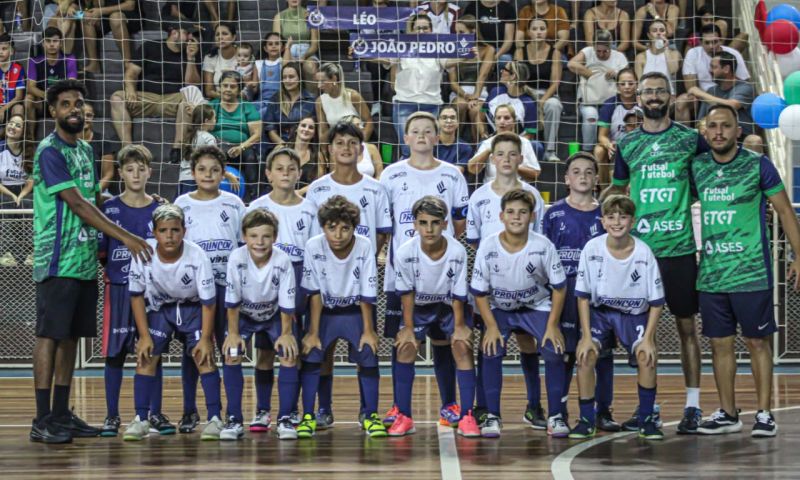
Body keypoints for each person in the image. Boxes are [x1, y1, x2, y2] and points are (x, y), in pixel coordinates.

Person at [30, 80, 151, 444]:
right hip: (57, 258)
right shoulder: (50, 150)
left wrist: (136, 200)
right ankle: (41, 419)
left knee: (70, 338)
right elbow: (78, 204)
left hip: (83, 259)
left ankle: (62, 412)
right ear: (52, 111)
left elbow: (95, 196)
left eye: (78, 104)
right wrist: (125, 236)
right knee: (50, 335)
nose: (73, 109)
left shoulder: (85, 149)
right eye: (65, 104)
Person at [603, 71, 708, 434]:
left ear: (670, 96)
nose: (653, 96)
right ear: (638, 98)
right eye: (647, 91)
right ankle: (650, 407)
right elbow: (616, 195)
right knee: (638, 333)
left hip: (678, 248)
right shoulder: (628, 144)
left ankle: (693, 405)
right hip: (640, 252)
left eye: (660, 91)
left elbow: (707, 185)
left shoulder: (691, 140)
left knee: (686, 328)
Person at [692, 105, 800, 437]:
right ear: (705, 131)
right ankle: (728, 412)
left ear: (738, 131)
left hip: (751, 271)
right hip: (711, 274)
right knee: (720, 344)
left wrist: (799, 255)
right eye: (714, 126)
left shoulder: (758, 164)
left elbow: (783, 210)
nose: (720, 132)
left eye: (726, 126)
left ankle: (765, 413)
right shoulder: (696, 168)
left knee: (757, 342)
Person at [381, 112, 469, 429]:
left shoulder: (453, 175)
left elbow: (459, 224)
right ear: (405, 138)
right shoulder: (390, 175)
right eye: (415, 131)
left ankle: (450, 405)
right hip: (401, 276)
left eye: (427, 131)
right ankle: (399, 408)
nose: (421, 135)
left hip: (442, 276)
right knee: (404, 341)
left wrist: (437, 256)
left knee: (446, 342)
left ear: (436, 137)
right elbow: (383, 225)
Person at [123, 204, 224, 441]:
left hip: (193, 308)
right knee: (146, 355)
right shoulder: (143, 252)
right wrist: (144, 335)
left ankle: (215, 418)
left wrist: (207, 339)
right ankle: (141, 419)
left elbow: (209, 301)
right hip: (161, 309)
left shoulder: (197, 255)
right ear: (154, 232)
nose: (170, 236)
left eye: (175, 230)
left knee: (203, 355)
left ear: (184, 231)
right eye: (163, 230)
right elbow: (136, 296)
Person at [471, 189, 567, 438]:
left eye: (523, 212)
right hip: (500, 307)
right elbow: (479, 293)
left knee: (554, 349)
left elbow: (559, 287)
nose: (516, 217)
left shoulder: (543, 245)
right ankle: (492, 415)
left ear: (532, 216)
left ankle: (554, 415)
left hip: (535, 305)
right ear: (501, 216)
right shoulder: (488, 246)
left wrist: (552, 325)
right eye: (511, 212)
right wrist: (490, 326)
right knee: (490, 348)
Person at [466, 132, 546, 429]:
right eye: (501, 154)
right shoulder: (479, 196)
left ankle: (534, 405)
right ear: (492, 158)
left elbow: (538, 239)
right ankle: (486, 407)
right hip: (491, 289)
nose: (507, 160)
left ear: (520, 158)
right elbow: (474, 242)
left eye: (513, 154)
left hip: (527, 286)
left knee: (529, 343)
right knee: (488, 344)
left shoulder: (533, 195)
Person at [570, 195, 665, 440]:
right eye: (611, 217)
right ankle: (586, 420)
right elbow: (582, 296)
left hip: (634, 315)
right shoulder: (592, 249)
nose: (617, 222)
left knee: (646, 356)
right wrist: (586, 337)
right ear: (602, 222)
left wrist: (649, 339)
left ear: (632, 222)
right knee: (586, 355)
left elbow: (657, 302)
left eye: (623, 217)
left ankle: (646, 420)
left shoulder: (643, 253)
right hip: (601, 314)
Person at [543, 153, 621, 433]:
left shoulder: (605, 213)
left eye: (589, 171)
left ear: (597, 178)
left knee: (602, 353)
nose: (583, 176)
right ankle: (558, 412)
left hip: (599, 296)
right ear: (566, 179)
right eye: (576, 171)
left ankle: (603, 411)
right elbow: (545, 256)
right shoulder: (553, 214)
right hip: (565, 296)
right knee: (563, 353)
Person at [389, 196, 479, 437]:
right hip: (417, 306)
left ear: (445, 224)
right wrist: (408, 329)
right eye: (423, 223)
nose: (429, 229)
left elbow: (459, 294)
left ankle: (466, 414)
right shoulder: (405, 252)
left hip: (448, 306)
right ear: (415, 225)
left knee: (461, 346)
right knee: (406, 347)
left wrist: (460, 327)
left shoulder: (457, 251)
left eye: (435, 223)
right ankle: (405, 415)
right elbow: (406, 293)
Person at [299, 195, 387, 438]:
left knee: (368, 353)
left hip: (355, 312)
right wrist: (313, 332)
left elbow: (367, 291)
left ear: (354, 228)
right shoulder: (313, 246)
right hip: (324, 312)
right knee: (314, 353)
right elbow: (314, 291)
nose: (338, 235)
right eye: (332, 228)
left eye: (345, 228)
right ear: (323, 227)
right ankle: (315, 412)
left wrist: (369, 330)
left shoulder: (365, 246)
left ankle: (369, 414)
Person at [174, 145, 246, 434]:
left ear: (223, 173)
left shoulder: (234, 204)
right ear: (193, 173)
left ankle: (232, 414)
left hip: (226, 290)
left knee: (229, 349)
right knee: (194, 351)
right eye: (202, 169)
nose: (208, 174)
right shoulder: (182, 203)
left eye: (215, 170)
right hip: (192, 291)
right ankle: (190, 410)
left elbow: (244, 248)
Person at [246, 147, 317, 433]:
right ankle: (262, 410)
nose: (285, 173)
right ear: (268, 174)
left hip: (299, 282)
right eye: (279, 168)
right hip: (264, 285)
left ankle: (290, 410)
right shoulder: (256, 207)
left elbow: (313, 253)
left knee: (293, 349)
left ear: (300, 174)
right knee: (264, 352)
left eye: (291, 168)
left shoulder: (309, 208)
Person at [97, 145, 163, 437]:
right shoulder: (109, 209)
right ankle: (112, 416)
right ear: (120, 172)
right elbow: (102, 253)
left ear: (150, 171)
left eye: (141, 168)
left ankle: (152, 414)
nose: (136, 174)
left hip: (151, 293)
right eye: (130, 169)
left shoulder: (160, 209)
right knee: (115, 355)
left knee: (151, 353)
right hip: (120, 290)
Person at [220, 208, 298, 441]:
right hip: (244, 316)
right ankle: (234, 419)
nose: (260, 242)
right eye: (254, 236)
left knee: (288, 353)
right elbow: (232, 300)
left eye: (266, 236)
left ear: (274, 237)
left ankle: (284, 418)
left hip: (273, 314)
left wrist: (286, 334)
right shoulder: (237, 257)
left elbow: (287, 302)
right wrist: (233, 333)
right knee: (231, 353)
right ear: (244, 236)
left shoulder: (282, 260)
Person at [109, 18, 200, 165]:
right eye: (187, 33)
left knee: (190, 101)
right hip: (147, 98)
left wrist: (191, 58)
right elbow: (131, 73)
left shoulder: (192, 52)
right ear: (174, 33)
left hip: (173, 99)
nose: (191, 38)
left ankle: (177, 149)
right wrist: (130, 89)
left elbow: (192, 86)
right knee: (116, 98)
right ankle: (127, 148)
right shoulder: (151, 46)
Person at [676, 24, 749, 126]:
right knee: (681, 101)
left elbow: (744, 82)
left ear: (721, 40)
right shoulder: (693, 54)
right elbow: (691, 88)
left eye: (715, 42)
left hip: (727, 94)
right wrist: (706, 96)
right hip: (700, 97)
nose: (711, 46)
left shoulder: (732, 54)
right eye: (707, 42)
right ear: (700, 42)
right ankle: (685, 138)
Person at [568, 30, 628, 152]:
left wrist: (617, 74)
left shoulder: (619, 57)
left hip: (612, 101)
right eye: (598, 51)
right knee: (591, 116)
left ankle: (618, 148)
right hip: (589, 101)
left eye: (605, 51)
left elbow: (627, 77)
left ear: (611, 46)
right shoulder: (587, 52)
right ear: (594, 46)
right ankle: (587, 151)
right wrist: (590, 74)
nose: (601, 54)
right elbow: (571, 64)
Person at [209, 70, 262, 201]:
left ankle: (252, 197)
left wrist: (241, 147)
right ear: (220, 87)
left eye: (232, 87)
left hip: (241, 147)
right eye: (225, 86)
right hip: (218, 145)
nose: (228, 89)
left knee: (250, 156)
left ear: (239, 90)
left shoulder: (247, 107)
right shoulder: (212, 106)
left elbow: (257, 134)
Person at [515, 18, 564, 162]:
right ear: (529, 32)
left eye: (542, 29)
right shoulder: (520, 52)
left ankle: (550, 150)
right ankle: (522, 148)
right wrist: (531, 97)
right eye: (535, 29)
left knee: (554, 106)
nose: (539, 32)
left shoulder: (555, 52)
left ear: (547, 31)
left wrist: (542, 100)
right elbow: (517, 79)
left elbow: (555, 82)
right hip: (525, 91)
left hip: (547, 92)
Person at [25, 27, 77, 142]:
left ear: (61, 43)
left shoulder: (69, 59)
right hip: (43, 101)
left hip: (62, 101)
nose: (52, 44)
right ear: (43, 43)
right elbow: (30, 87)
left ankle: (64, 141)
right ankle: (30, 142)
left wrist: (57, 97)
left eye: (55, 41)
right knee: (29, 99)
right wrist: (47, 95)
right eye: (48, 41)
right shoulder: (35, 61)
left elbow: (72, 84)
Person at [448, 14, 496, 142]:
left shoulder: (488, 49)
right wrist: (466, 95)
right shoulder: (453, 48)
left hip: (481, 91)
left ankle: (479, 147)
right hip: (459, 92)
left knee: (476, 110)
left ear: (473, 31)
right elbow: (452, 82)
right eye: (456, 32)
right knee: (460, 105)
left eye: (461, 32)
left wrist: (475, 95)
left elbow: (483, 75)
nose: (458, 35)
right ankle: (454, 143)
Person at [467, 104, 541, 184]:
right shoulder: (487, 143)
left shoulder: (524, 143)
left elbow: (535, 174)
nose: (502, 121)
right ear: (494, 121)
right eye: (498, 118)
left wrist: (513, 167)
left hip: (516, 190)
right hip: (492, 188)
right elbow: (472, 169)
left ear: (514, 121)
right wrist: (490, 150)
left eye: (506, 118)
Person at [594, 68, 639, 189]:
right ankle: (604, 190)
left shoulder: (643, 104)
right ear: (617, 87)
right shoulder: (610, 105)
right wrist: (609, 145)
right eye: (622, 84)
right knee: (599, 150)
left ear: (637, 84)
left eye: (631, 83)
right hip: (615, 146)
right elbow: (602, 136)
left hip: (639, 145)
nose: (627, 87)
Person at [692, 52, 755, 136]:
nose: (710, 71)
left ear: (726, 69)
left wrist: (700, 94)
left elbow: (731, 106)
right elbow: (700, 122)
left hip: (741, 137)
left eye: (713, 67)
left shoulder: (744, 87)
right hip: (715, 138)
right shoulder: (711, 91)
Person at [316, 63, 372, 147]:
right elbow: (323, 133)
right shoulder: (320, 101)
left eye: (323, 81)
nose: (319, 86)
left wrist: (361, 144)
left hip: (355, 141)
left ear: (334, 79)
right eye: (317, 81)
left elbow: (369, 122)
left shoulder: (353, 96)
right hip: (337, 143)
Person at [265, 62, 316, 149]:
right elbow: (270, 128)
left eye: (291, 77)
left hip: (304, 145)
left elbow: (313, 128)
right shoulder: (275, 99)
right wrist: (284, 145)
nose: (287, 80)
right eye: (284, 77)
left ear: (300, 78)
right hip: (280, 145)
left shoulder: (311, 100)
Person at [80, 0, 141, 72]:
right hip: (103, 15)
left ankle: (128, 64)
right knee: (87, 19)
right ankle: (94, 64)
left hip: (126, 14)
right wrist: (84, 13)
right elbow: (84, 8)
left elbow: (130, 5)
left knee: (115, 18)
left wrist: (101, 11)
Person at [485, 61, 538, 143]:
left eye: (505, 69)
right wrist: (483, 133)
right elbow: (481, 115)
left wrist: (511, 145)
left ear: (513, 76)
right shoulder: (495, 92)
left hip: (517, 145)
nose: (501, 71)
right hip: (491, 141)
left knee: (536, 145)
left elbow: (529, 134)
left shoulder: (528, 103)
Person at [272, 0, 320, 81]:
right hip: (287, 51)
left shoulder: (311, 15)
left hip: (307, 52)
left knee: (310, 67)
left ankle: (311, 94)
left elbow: (315, 44)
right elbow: (277, 43)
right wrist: (289, 55)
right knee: (286, 68)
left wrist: (304, 56)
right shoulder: (279, 17)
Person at [634, 20, 682, 96]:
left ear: (666, 34)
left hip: (668, 95)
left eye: (662, 30)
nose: (659, 33)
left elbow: (673, 71)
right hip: (647, 96)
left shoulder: (674, 54)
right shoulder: (641, 57)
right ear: (649, 35)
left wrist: (666, 48)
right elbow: (640, 83)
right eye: (654, 31)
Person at [80, 103, 119, 195]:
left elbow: (108, 174)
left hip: (98, 191)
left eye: (88, 115)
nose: (85, 118)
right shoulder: (68, 141)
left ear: (93, 117)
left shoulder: (103, 141)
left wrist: (93, 193)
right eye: (81, 115)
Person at [179, 104, 217, 196]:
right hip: (197, 180)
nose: (216, 121)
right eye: (214, 118)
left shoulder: (189, 136)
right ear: (206, 121)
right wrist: (229, 176)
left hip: (183, 178)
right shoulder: (209, 138)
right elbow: (214, 161)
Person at [282, 115, 324, 195]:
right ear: (296, 128)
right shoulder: (282, 150)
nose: (306, 129)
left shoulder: (318, 155)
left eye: (311, 127)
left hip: (308, 196)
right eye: (303, 125)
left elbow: (319, 182)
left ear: (315, 133)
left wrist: (300, 192)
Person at [255, 32, 288, 119]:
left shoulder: (283, 62)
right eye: (270, 44)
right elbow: (254, 86)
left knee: (262, 114)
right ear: (265, 48)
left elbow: (288, 66)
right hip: (261, 101)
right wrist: (250, 85)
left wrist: (288, 48)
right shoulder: (258, 64)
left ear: (283, 47)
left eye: (277, 44)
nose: (273, 46)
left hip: (279, 101)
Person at [202, 23, 239, 100]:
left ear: (233, 37)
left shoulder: (243, 55)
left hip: (239, 99)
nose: (220, 37)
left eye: (224, 34)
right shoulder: (210, 57)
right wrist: (225, 97)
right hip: (218, 99)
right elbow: (209, 91)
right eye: (217, 35)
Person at [340, 114, 383, 179]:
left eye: (361, 125)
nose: (362, 127)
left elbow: (379, 174)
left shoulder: (371, 148)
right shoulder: (339, 150)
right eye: (357, 125)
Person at [434, 105, 473, 172]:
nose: (449, 121)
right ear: (437, 122)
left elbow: (457, 172)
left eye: (452, 118)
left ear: (458, 122)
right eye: (444, 118)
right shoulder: (430, 145)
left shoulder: (465, 147)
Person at [0, 33, 26, 124]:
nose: (0, 52)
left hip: (10, 106)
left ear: (12, 51)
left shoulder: (18, 69)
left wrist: (3, 109)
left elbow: (19, 97)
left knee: (19, 108)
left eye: (4, 49)